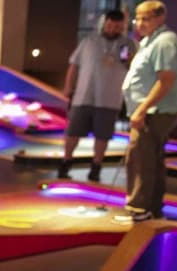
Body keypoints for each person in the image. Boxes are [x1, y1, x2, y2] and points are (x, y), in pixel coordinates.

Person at [118, 0, 177, 223]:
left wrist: (141, 110)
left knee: (141, 159)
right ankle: (152, 209)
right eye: (138, 18)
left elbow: (165, 81)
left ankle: (140, 210)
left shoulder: (165, 42)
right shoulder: (150, 41)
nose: (140, 23)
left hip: (155, 112)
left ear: (160, 18)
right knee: (150, 159)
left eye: (146, 19)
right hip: (151, 111)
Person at [58, 10, 138, 181]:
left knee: (102, 135)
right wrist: (68, 88)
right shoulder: (89, 41)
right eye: (110, 25)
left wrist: (128, 57)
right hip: (84, 96)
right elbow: (74, 65)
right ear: (104, 23)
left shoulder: (126, 45)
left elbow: (129, 66)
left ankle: (96, 167)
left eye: (117, 26)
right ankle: (65, 162)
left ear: (123, 26)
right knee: (73, 132)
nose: (113, 29)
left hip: (109, 99)